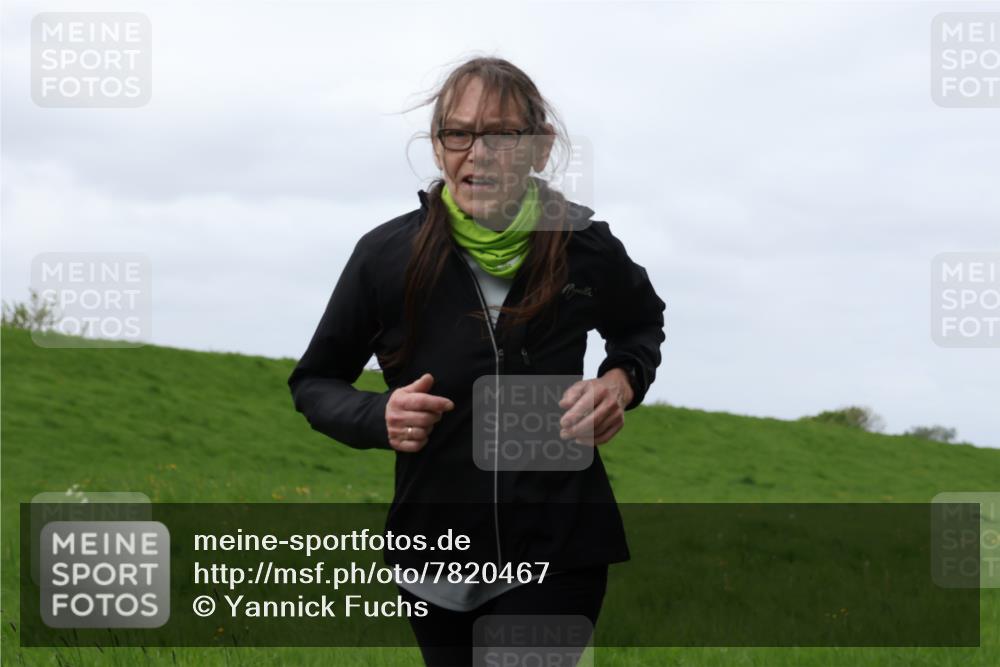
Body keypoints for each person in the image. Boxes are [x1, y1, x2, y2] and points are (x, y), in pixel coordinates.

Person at [288, 56, 666, 666]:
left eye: (501, 134)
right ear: (438, 150)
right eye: (458, 133)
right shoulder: (387, 256)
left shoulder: (586, 248)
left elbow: (641, 324)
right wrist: (377, 414)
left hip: (558, 544)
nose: (478, 152)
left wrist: (619, 383)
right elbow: (314, 382)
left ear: (540, 148)